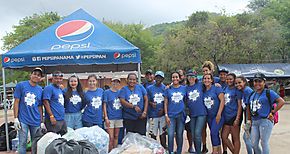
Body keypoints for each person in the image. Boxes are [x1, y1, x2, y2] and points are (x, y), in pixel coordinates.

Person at [248, 73, 285, 154]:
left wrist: (273, 112)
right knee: (253, 144)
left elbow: (281, 101)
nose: (257, 83)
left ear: (264, 82)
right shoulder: (252, 94)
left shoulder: (269, 92)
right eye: (255, 81)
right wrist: (249, 120)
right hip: (254, 122)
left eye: (259, 81)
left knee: (264, 143)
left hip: (265, 121)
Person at [13, 67, 44, 154]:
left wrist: (41, 121)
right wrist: (15, 118)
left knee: (36, 143)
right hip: (23, 120)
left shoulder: (40, 90)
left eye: (38, 75)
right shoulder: (21, 85)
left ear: (40, 78)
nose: (36, 76)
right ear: (30, 75)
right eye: (34, 74)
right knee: (22, 143)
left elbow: (40, 106)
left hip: (36, 120)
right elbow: (16, 101)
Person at [164, 72, 187, 154]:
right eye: (173, 77)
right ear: (171, 79)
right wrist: (166, 115)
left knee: (179, 135)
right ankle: (170, 151)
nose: (175, 79)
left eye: (176, 77)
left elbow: (186, 100)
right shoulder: (168, 89)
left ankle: (179, 151)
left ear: (179, 78)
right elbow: (165, 103)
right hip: (171, 116)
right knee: (170, 135)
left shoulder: (184, 88)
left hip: (181, 115)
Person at [186, 69, 207, 154]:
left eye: (193, 76)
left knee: (198, 133)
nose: (191, 78)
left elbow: (210, 80)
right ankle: (197, 150)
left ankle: (199, 152)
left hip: (201, 113)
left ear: (195, 77)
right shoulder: (185, 88)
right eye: (189, 76)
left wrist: (216, 84)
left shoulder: (201, 85)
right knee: (194, 134)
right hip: (191, 114)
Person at [203, 73, 225, 154]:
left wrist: (219, 114)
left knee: (213, 132)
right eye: (205, 78)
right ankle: (219, 151)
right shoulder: (203, 91)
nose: (207, 80)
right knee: (215, 134)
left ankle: (214, 151)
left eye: (208, 78)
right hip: (209, 116)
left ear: (212, 80)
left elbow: (222, 100)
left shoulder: (216, 88)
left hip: (218, 115)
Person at [221, 73, 242, 154]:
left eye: (230, 79)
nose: (228, 81)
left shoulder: (237, 90)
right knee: (224, 136)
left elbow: (240, 105)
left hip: (234, 115)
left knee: (235, 138)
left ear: (234, 80)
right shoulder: (225, 88)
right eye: (227, 79)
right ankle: (234, 151)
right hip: (226, 116)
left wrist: (237, 118)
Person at [43, 71, 67, 135]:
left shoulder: (60, 89)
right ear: (52, 78)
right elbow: (45, 102)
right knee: (53, 139)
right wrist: (51, 116)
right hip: (53, 119)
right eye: (56, 78)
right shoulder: (49, 88)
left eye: (60, 79)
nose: (58, 80)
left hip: (61, 118)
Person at [147, 71, 167, 148]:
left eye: (160, 78)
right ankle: (154, 149)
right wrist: (151, 103)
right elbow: (146, 100)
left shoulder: (165, 88)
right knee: (153, 134)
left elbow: (167, 101)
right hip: (152, 115)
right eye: (157, 77)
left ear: (163, 79)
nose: (158, 79)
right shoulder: (149, 88)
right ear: (154, 78)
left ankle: (163, 148)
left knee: (163, 133)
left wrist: (163, 110)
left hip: (162, 115)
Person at [103, 77, 123, 152]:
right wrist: (106, 117)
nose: (115, 83)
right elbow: (104, 105)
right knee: (110, 137)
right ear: (111, 82)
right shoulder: (107, 92)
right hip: (110, 118)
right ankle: (109, 151)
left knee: (116, 136)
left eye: (117, 82)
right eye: (114, 81)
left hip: (119, 117)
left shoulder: (121, 92)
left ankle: (115, 151)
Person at [235, 76, 254, 154]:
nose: (237, 85)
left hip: (252, 118)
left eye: (239, 82)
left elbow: (249, 107)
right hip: (248, 117)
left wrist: (248, 121)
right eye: (236, 83)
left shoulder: (247, 91)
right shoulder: (242, 91)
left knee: (247, 138)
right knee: (248, 138)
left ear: (244, 82)